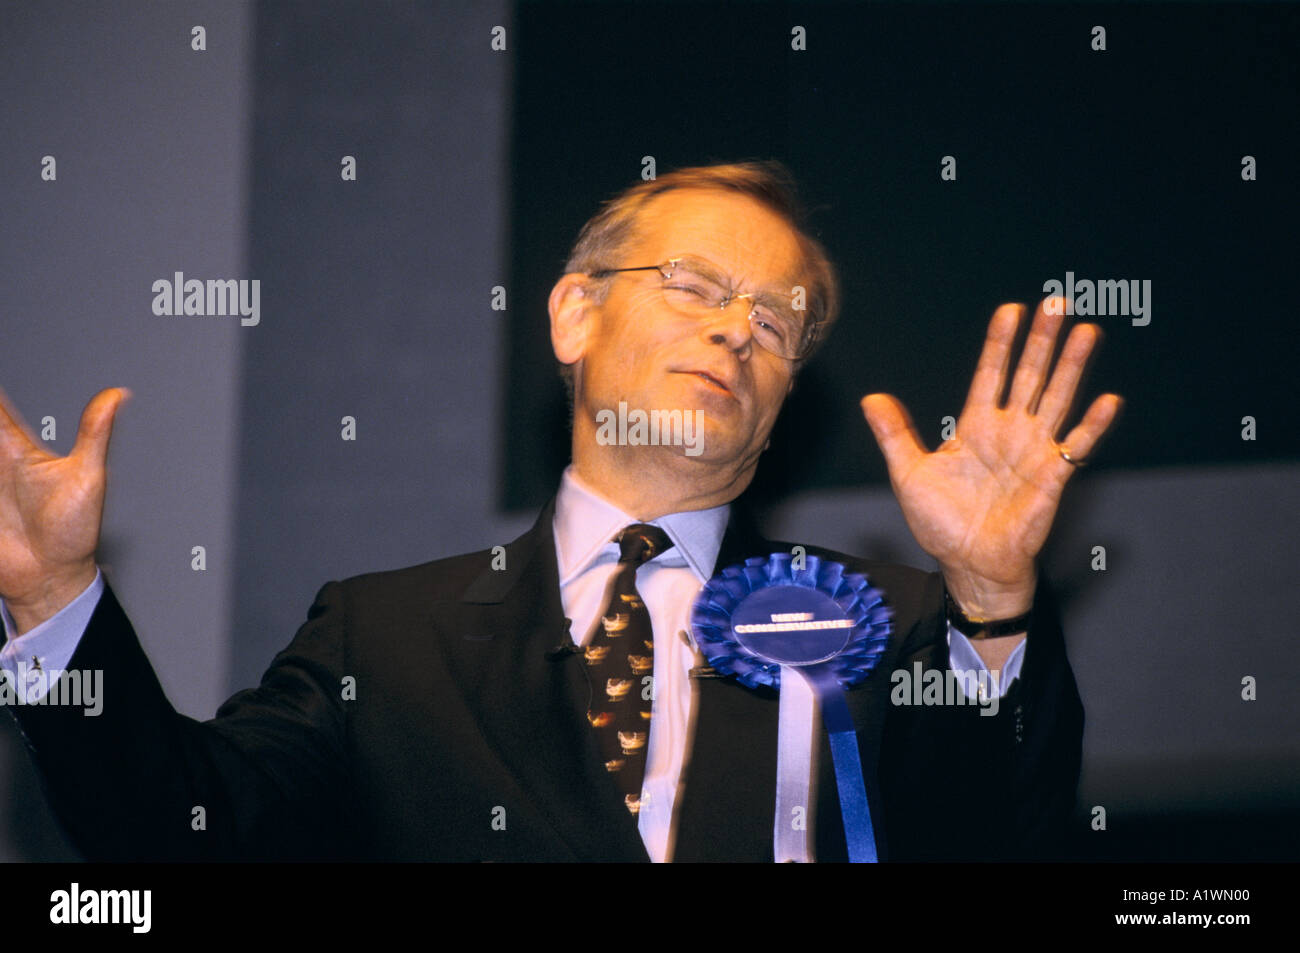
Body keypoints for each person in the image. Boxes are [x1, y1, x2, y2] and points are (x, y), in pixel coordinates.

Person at [0, 161, 1121, 862]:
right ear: (573, 314)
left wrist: (992, 597)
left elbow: (1003, 835)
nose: (738, 329)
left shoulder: (897, 623)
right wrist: (54, 600)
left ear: (781, 405)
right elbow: (180, 830)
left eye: (777, 324)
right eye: (692, 285)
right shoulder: (382, 640)